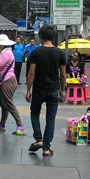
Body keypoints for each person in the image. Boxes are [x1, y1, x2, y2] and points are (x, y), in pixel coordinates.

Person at [26, 25, 66, 156]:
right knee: (51, 118)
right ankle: (47, 148)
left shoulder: (36, 52)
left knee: (34, 114)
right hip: (53, 89)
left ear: (41, 37)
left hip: (39, 89)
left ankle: (38, 139)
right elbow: (63, 74)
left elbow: (31, 73)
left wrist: (28, 90)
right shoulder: (60, 53)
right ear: (53, 37)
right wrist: (62, 90)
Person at [0, 34, 25, 135]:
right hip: (7, 80)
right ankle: (2, 124)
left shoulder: (6, 53)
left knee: (8, 103)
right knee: (3, 104)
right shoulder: (7, 52)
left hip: (8, 81)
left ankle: (20, 125)